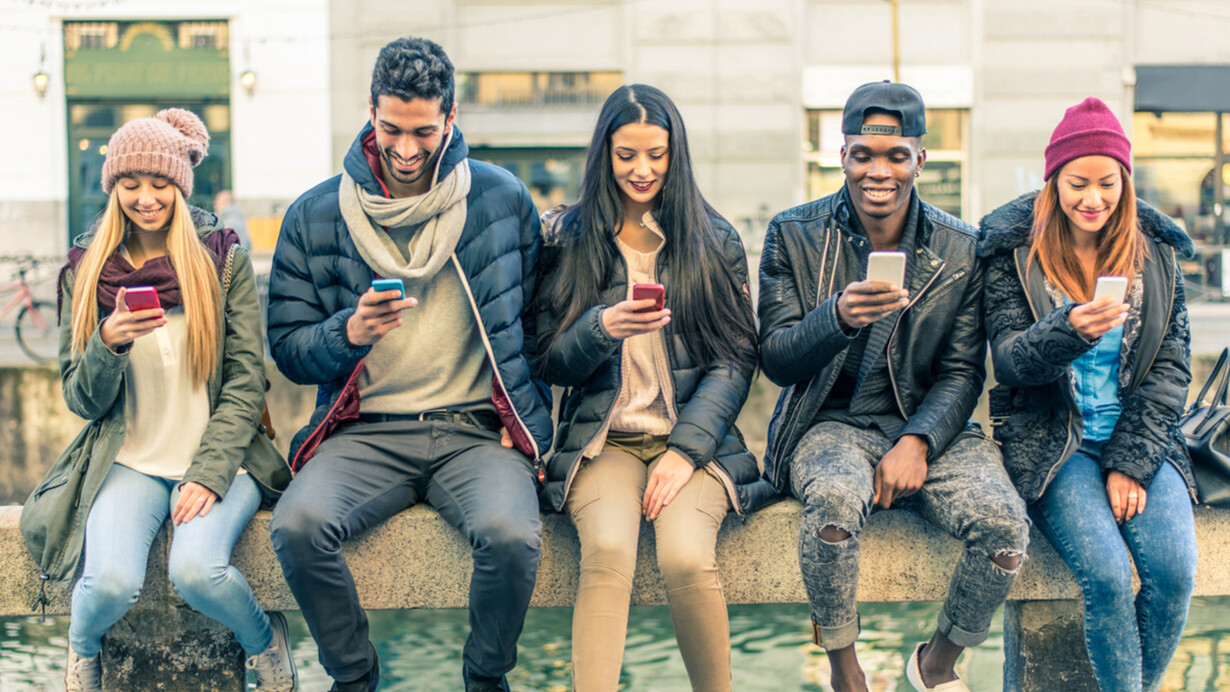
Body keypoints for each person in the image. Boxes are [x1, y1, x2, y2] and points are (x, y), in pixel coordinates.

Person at [264, 36, 553, 692]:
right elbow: (286, 349)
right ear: (370, 110)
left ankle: (485, 680)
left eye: (423, 131)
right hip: (365, 432)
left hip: (475, 432)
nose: (405, 149)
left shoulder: (500, 200)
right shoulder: (314, 214)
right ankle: (354, 678)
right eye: (390, 128)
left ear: (450, 119)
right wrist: (349, 332)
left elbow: (536, 327)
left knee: (512, 535)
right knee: (299, 526)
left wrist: (527, 416)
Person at [757, 81, 1030, 692]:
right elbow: (776, 360)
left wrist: (919, 441)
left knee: (1007, 531)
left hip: (930, 426)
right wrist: (838, 316)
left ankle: (937, 662)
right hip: (828, 424)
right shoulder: (793, 234)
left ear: (920, 160)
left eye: (895, 155)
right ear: (843, 155)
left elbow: (963, 373)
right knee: (831, 507)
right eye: (863, 155)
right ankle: (845, 671)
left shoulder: (960, 248)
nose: (878, 171)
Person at [20, 108, 294, 691]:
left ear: (180, 184)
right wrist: (107, 345)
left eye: (159, 182)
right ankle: (82, 650)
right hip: (131, 462)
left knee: (197, 571)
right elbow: (81, 398)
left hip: (224, 457)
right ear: (113, 186)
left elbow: (247, 380)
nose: (146, 198)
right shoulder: (87, 272)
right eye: (131, 183)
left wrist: (209, 472)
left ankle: (264, 641)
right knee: (110, 582)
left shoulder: (221, 259)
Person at [535, 84, 773, 691]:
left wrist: (685, 450)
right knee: (609, 552)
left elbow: (735, 357)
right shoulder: (567, 238)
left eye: (657, 155)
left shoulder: (712, 239)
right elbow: (545, 360)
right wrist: (599, 328)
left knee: (686, 557)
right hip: (603, 442)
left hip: (694, 444)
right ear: (604, 156)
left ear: (676, 155)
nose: (642, 170)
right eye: (626, 155)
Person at [979, 97, 1198, 692]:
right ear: (1054, 182)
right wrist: (1068, 328)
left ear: (1125, 185)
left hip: (1140, 439)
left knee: (1175, 572)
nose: (1093, 199)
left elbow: (1171, 371)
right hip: (1056, 442)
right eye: (1078, 183)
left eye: (1108, 184)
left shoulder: (1157, 259)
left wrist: (1130, 464)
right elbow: (1009, 362)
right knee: (1103, 576)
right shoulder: (1012, 254)